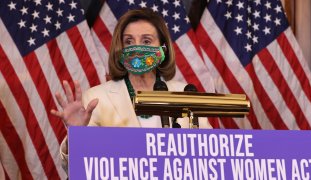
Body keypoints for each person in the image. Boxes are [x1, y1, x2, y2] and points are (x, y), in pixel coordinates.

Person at [51, 8, 213, 167]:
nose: (136, 48)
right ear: (120, 48)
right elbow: (77, 168)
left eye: (146, 41)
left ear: (163, 48)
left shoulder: (185, 93)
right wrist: (76, 137)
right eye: (129, 41)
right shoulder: (95, 98)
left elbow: (211, 157)